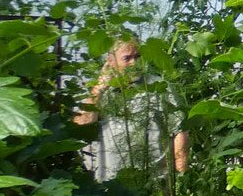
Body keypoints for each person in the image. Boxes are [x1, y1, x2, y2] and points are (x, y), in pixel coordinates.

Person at [75, 37, 188, 183]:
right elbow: (80, 128)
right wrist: (100, 89)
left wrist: (180, 179)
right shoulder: (95, 92)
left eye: (137, 57)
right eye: (127, 58)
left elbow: (179, 132)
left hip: (154, 181)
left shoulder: (158, 86)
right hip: (110, 183)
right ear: (110, 61)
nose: (134, 63)